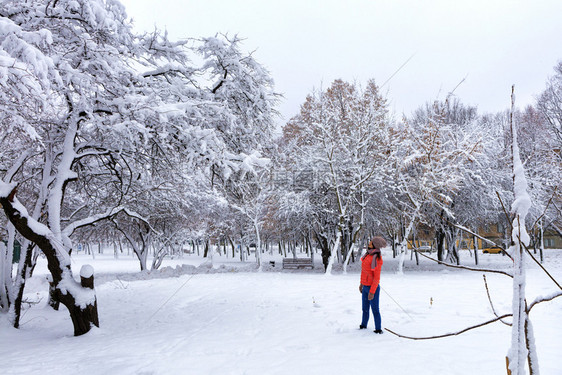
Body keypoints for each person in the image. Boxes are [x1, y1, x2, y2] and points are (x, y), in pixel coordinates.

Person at [359, 236, 386, 333]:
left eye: (371, 242)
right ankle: (363, 325)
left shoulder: (376, 258)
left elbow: (376, 278)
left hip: (372, 288)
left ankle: (378, 329)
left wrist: (372, 292)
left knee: (375, 309)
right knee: (364, 308)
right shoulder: (367, 255)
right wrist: (361, 284)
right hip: (365, 286)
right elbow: (364, 272)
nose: (369, 243)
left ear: (375, 245)